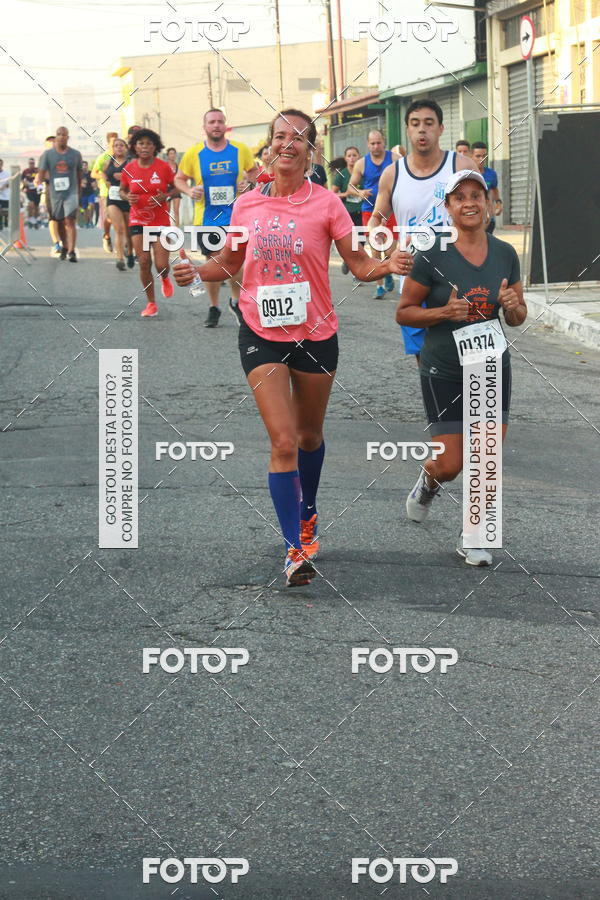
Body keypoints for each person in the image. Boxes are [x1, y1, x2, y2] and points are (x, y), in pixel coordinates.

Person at [173, 108, 412, 586]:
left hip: (316, 335)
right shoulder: (246, 207)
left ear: (310, 149)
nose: (287, 144)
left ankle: (308, 511)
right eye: (280, 136)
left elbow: (359, 264)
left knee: (308, 438)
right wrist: (196, 272)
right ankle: (294, 549)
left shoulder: (327, 204)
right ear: (269, 146)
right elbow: (227, 263)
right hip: (260, 332)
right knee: (282, 442)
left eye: (298, 138)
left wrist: (387, 267)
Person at [396, 170, 527, 566]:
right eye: (460, 197)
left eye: (477, 195)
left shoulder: (505, 253)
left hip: (490, 364)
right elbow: (404, 313)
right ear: (449, 207)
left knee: (487, 452)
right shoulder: (432, 253)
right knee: (451, 462)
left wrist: (512, 306)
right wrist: (443, 311)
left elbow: (518, 316)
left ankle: (475, 536)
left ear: (488, 204)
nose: (469, 202)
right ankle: (429, 480)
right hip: (444, 367)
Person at [371, 99, 473, 362]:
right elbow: (375, 222)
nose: (422, 130)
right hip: (415, 282)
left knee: (472, 361)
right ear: (407, 130)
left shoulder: (461, 167)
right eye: (415, 124)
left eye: (429, 123)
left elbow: (480, 219)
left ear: (441, 128)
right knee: (428, 364)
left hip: (460, 276)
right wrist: (390, 248)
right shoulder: (393, 175)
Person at [174, 109, 257, 327]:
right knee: (213, 262)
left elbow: (255, 173)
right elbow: (179, 179)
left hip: (237, 216)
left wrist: (249, 184)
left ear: (225, 126)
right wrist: (189, 191)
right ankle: (214, 306)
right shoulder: (194, 153)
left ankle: (236, 301)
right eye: (212, 122)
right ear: (205, 127)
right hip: (207, 218)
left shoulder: (241, 150)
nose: (216, 125)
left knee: (236, 262)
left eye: (220, 121)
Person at [120, 128, 176, 317]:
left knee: (161, 265)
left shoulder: (163, 167)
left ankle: (165, 277)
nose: (144, 147)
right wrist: (127, 196)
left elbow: (177, 189)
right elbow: (121, 190)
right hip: (137, 220)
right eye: (141, 143)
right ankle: (151, 303)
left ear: (155, 147)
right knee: (144, 262)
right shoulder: (129, 168)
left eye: (149, 143)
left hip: (160, 221)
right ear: (135, 147)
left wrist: (165, 197)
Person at [349, 130, 400, 298]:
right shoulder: (362, 163)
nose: (375, 146)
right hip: (369, 209)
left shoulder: (394, 159)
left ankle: (388, 271)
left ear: (383, 142)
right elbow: (351, 186)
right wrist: (360, 192)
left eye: (378, 143)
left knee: (391, 246)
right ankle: (380, 285)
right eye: (372, 143)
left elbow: (406, 178)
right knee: (375, 243)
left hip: (390, 208)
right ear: (367, 144)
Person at [37, 126, 82, 262]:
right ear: (56, 137)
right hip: (55, 193)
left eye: (64, 134)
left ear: (68, 137)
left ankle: (72, 250)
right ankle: (65, 244)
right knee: (60, 221)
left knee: (70, 220)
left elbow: (79, 175)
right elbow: (41, 174)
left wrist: (79, 192)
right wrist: (41, 179)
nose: (61, 137)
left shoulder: (75, 154)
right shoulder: (48, 154)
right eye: (59, 134)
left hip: (71, 192)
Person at [101, 137, 134, 271]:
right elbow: (102, 173)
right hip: (113, 198)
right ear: (112, 148)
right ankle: (120, 258)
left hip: (127, 198)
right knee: (119, 229)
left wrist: (125, 178)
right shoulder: (108, 162)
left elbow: (138, 179)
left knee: (129, 231)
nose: (119, 148)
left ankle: (130, 253)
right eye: (116, 146)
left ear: (126, 148)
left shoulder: (131, 163)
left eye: (121, 145)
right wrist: (106, 181)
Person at [330, 146, 363, 276]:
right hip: (346, 213)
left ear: (359, 156)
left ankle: (357, 267)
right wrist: (347, 194)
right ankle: (348, 260)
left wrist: (362, 193)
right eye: (349, 156)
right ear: (345, 158)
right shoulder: (341, 175)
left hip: (361, 212)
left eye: (354, 155)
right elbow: (333, 194)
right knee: (350, 242)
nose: (352, 158)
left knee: (360, 242)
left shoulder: (363, 172)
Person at [92, 131, 118, 253]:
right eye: (113, 143)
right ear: (108, 144)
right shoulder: (103, 157)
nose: (115, 146)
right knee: (109, 218)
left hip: (121, 192)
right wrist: (103, 176)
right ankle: (107, 236)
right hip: (106, 193)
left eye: (117, 142)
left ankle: (124, 244)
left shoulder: (123, 156)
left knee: (124, 219)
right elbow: (93, 173)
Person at [471, 141, 502, 234]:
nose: (482, 159)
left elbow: (494, 189)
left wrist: (498, 203)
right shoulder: (466, 174)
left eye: (484, 156)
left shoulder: (491, 174)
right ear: (471, 156)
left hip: (488, 218)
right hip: (472, 218)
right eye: (478, 156)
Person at [21, 158, 41, 227]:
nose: (31, 165)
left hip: (37, 191)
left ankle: (35, 220)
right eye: (30, 163)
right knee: (31, 204)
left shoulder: (37, 170)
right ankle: (30, 218)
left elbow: (42, 178)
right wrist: (25, 183)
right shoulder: (25, 171)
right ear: (28, 164)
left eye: (33, 163)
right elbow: (22, 179)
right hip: (29, 191)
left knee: (36, 206)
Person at [165, 147, 181, 227]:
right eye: (171, 154)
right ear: (168, 155)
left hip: (176, 189)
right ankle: (168, 228)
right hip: (167, 190)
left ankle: (177, 229)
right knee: (167, 211)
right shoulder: (165, 165)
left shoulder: (178, 165)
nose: (172, 155)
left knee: (176, 210)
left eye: (174, 154)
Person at [79, 162, 96, 228]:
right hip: (82, 194)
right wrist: (81, 184)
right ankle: (87, 222)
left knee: (91, 205)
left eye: (85, 165)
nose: (84, 167)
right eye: (83, 165)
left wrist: (94, 185)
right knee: (84, 208)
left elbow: (94, 183)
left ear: (87, 166)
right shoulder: (79, 174)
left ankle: (91, 221)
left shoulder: (90, 173)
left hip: (90, 193)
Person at [0, 160, 10, 231]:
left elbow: (10, 182)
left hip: (5, 195)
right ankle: (1, 224)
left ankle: (6, 219)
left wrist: (4, 186)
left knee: (5, 212)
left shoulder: (7, 174)